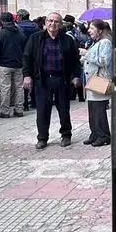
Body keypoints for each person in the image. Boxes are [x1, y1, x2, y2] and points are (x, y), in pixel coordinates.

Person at [22, 12, 83, 150]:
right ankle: (42, 138)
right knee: (43, 110)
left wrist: (76, 76)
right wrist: (27, 75)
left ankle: (66, 135)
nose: (52, 24)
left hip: (62, 79)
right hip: (43, 80)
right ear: (45, 23)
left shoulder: (68, 40)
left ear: (61, 25)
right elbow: (27, 58)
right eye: (50, 21)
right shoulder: (35, 38)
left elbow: (75, 61)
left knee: (64, 109)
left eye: (56, 21)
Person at [83, 19, 113, 146]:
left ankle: (104, 135)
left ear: (100, 31)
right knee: (92, 109)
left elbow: (105, 61)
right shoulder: (97, 42)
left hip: (99, 80)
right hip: (93, 80)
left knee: (98, 110)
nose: (89, 31)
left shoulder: (106, 42)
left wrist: (87, 54)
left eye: (91, 28)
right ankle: (95, 133)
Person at [0, 13, 26, 117]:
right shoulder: (20, 33)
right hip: (18, 64)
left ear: (2, 22)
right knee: (19, 87)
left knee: (5, 88)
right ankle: (19, 109)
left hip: (4, 64)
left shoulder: (0, 34)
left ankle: (5, 111)